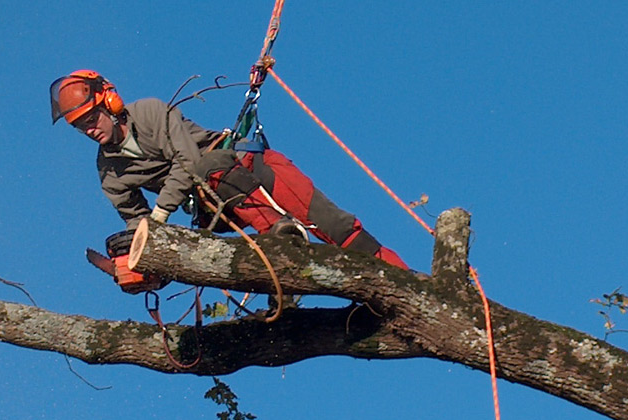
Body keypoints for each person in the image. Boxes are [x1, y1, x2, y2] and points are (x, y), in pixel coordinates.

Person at [49, 70, 407, 281]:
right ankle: (279, 243)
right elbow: (136, 221)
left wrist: (160, 215)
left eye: (92, 119)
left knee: (336, 225)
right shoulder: (109, 171)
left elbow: (187, 161)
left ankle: (404, 282)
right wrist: (136, 259)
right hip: (214, 205)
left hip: (247, 168)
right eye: (80, 126)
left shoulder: (151, 112)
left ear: (109, 103)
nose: (89, 129)